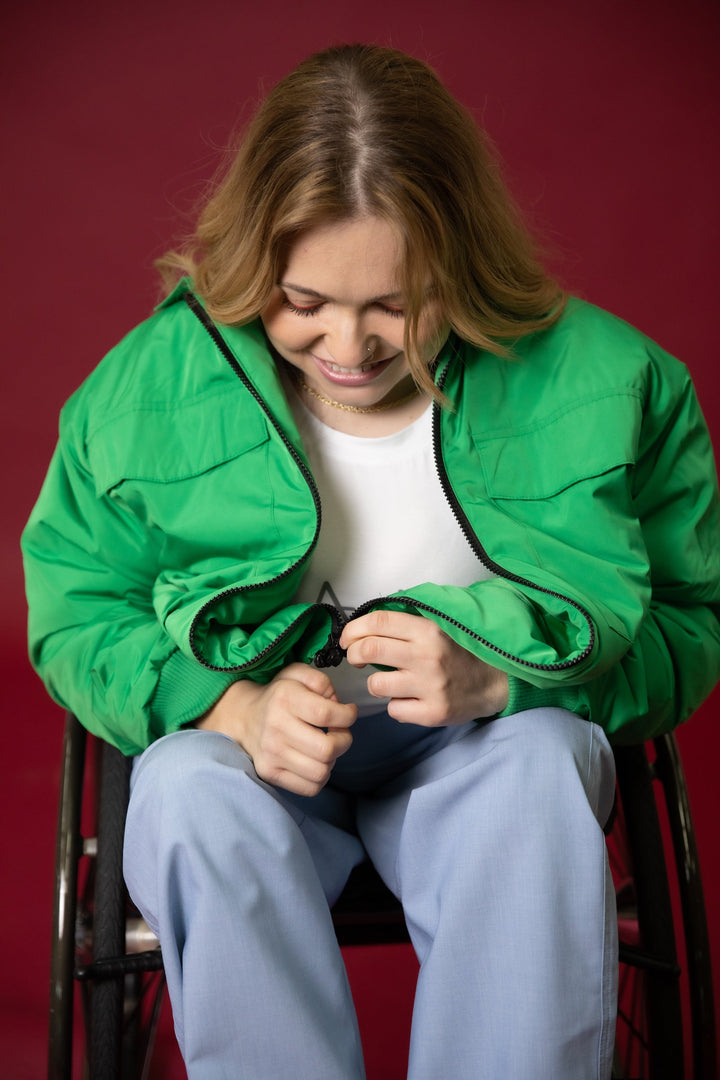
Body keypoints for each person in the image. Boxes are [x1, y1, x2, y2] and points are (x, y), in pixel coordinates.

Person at [22, 43, 720, 1080]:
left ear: (464, 258)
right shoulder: (140, 395)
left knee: (539, 774)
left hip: (483, 758)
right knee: (181, 787)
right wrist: (230, 709)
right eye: (302, 299)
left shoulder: (617, 386)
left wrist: (505, 679)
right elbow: (77, 610)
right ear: (252, 259)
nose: (348, 343)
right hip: (260, 763)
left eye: (398, 301)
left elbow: (691, 625)